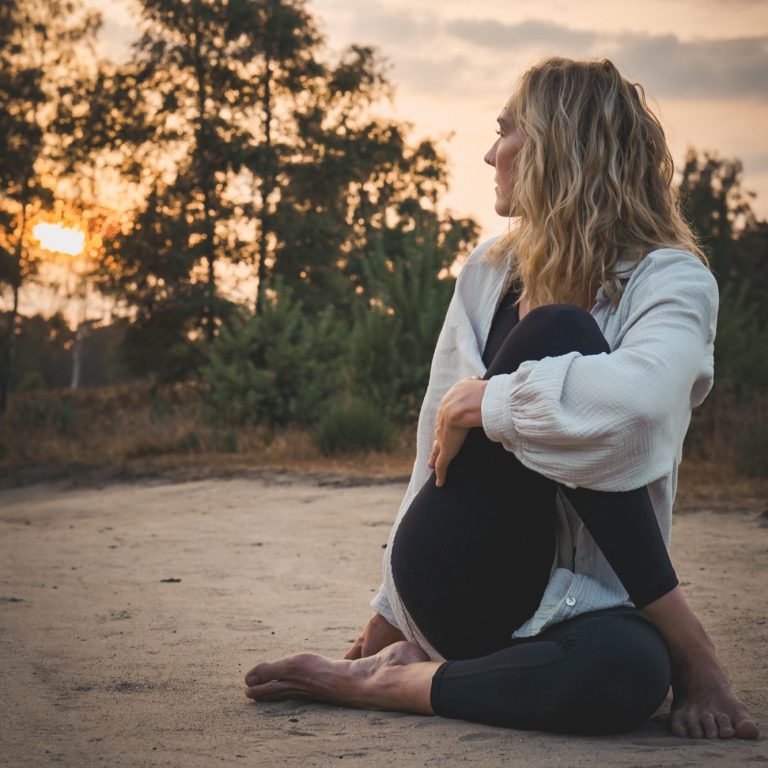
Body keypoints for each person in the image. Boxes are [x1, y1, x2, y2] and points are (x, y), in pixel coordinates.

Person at [244, 57, 759, 739]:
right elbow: (434, 454)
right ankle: (693, 647)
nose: (490, 152)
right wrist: (387, 612)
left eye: (506, 131)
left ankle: (401, 684)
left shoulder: (671, 282)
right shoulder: (489, 275)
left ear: (560, 146)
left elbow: (636, 416)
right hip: (459, 574)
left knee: (629, 673)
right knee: (559, 332)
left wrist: (485, 402)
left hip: (586, 602)